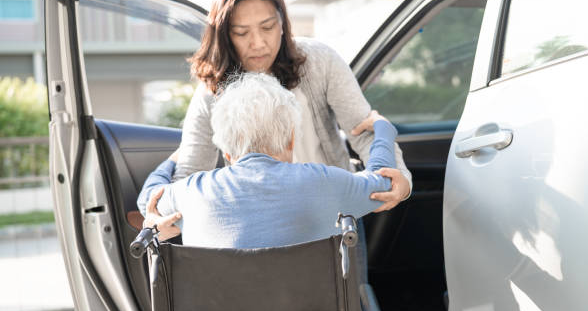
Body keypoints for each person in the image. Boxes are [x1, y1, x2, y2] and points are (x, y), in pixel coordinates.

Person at [174, 0, 412, 210]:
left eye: (267, 27)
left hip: (334, 212)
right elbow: (189, 173)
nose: (257, 43)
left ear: (282, 24)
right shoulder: (211, 90)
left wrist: (399, 180)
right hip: (260, 225)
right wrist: (163, 211)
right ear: (225, 35)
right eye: (241, 32)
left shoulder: (319, 60)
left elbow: (363, 130)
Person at [137, 73, 398, 248]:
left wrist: (174, 159)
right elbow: (383, 183)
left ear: (227, 153)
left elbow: (148, 199)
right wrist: (383, 129)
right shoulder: (324, 182)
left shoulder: (192, 192)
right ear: (291, 141)